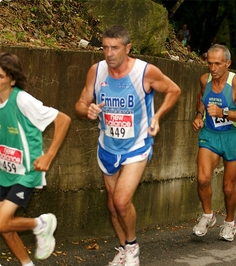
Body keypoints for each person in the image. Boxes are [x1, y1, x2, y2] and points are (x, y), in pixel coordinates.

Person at [74, 25, 181, 265]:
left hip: (137, 146)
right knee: (113, 206)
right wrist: (87, 110)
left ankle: (132, 247)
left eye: (115, 48)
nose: (109, 53)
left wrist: (157, 116)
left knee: (122, 200)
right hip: (107, 146)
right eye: (105, 48)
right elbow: (80, 104)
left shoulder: (145, 72)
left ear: (128, 48)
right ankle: (123, 249)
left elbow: (174, 90)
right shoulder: (97, 71)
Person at [0, 52, 71, 266]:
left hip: (27, 172)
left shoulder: (22, 100)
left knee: (2, 223)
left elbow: (63, 119)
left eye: (0, 76)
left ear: (12, 80)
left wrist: (49, 155)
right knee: (6, 225)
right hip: (5, 171)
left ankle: (40, 224)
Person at [191, 44, 236, 242]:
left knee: (228, 188)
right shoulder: (204, 79)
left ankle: (230, 222)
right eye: (209, 63)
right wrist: (199, 115)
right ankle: (208, 216)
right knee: (202, 179)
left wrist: (224, 112)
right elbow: (202, 98)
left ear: (228, 63)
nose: (213, 68)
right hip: (210, 134)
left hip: (233, 137)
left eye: (217, 64)